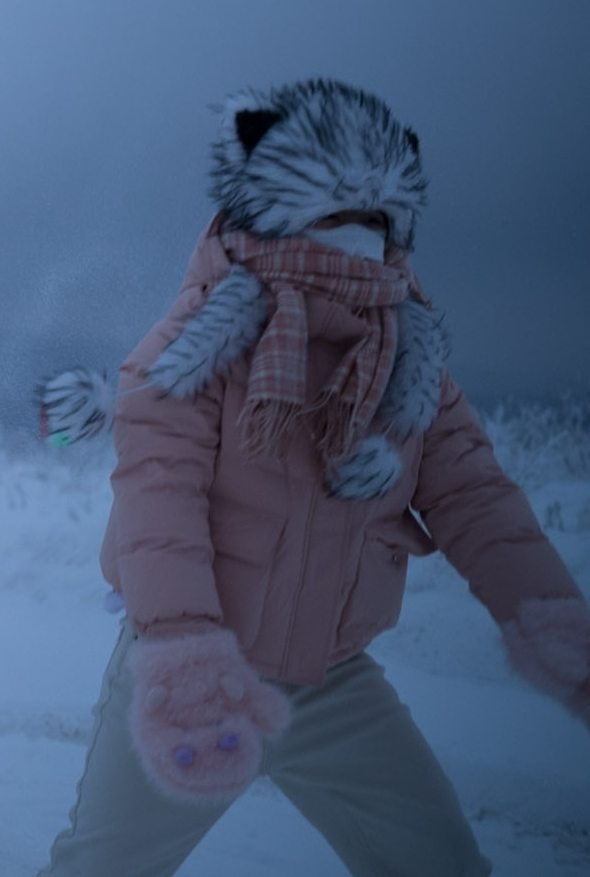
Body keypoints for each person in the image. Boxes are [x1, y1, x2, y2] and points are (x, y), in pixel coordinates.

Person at [38, 78, 589, 877]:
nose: (358, 240)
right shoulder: (197, 343)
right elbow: (161, 499)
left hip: (333, 687)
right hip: (196, 678)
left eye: (375, 221)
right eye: (336, 217)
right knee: (103, 868)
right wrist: (188, 657)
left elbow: (476, 498)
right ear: (276, 206)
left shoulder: (410, 358)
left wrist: (553, 622)